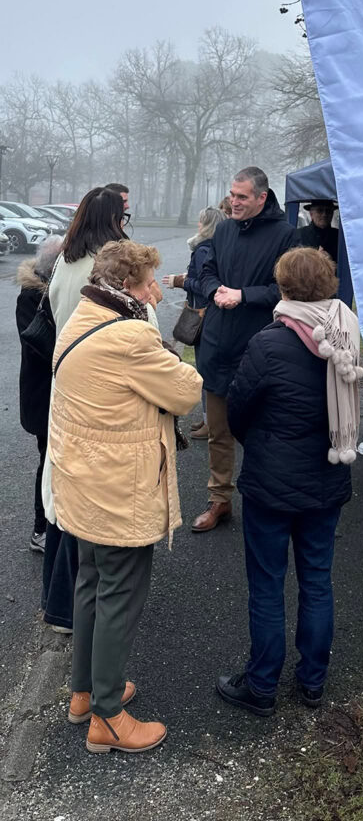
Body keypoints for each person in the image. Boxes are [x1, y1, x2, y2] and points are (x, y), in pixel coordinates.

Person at [50, 240, 202, 752]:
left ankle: (86, 692)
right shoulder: (132, 335)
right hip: (121, 489)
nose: (157, 289)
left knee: (91, 582)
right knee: (121, 593)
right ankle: (108, 717)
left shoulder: (82, 315)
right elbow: (185, 391)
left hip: (85, 482)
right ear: (128, 287)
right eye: (149, 282)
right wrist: (168, 343)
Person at [218, 247, 363, 715]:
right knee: (317, 580)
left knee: (267, 585)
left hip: (271, 484)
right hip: (327, 475)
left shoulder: (268, 342)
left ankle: (261, 687)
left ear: (283, 288)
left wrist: (260, 445)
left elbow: (237, 410)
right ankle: (312, 683)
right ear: (330, 285)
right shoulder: (348, 334)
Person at [41, 187, 130, 634]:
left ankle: (54, 603)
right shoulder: (105, 267)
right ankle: (66, 608)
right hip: (97, 390)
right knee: (83, 501)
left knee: (61, 489)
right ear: (111, 219)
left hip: (64, 378)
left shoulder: (64, 260)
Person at [191, 167, 297, 533]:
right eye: (232, 195)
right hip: (218, 346)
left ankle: (262, 501)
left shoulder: (286, 236)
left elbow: (286, 290)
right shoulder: (222, 230)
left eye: (242, 197)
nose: (233, 202)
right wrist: (215, 289)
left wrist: (244, 295)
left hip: (260, 349)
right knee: (218, 433)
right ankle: (219, 499)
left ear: (261, 198)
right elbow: (205, 271)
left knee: (259, 434)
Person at [15, 236, 64, 552]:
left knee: (56, 459)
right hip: (41, 394)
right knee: (48, 459)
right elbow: (39, 344)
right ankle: (40, 529)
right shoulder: (32, 297)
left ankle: (55, 523)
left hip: (54, 392)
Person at [163, 205, 226, 438]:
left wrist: (181, 282)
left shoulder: (202, 249)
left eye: (201, 221)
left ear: (206, 224)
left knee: (205, 368)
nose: (197, 224)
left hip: (203, 314)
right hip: (213, 315)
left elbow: (204, 285)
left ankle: (212, 423)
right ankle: (210, 419)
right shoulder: (220, 247)